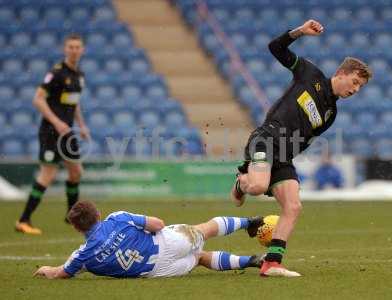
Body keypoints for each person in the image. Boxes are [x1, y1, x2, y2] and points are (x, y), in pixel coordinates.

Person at [231, 20, 372, 277]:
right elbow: (275, 47)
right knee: (259, 187)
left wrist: (285, 168)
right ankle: (242, 182)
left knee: (293, 207)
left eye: (360, 87)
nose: (355, 89)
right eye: (354, 82)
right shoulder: (309, 73)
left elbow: (306, 139)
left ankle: (271, 263)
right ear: (341, 73)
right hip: (266, 138)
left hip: (284, 155)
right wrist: (299, 32)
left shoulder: (331, 113)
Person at [34, 200, 269, 279]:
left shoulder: (82, 257)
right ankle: (249, 223)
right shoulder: (116, 219)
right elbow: (157, 224)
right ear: (97, 214)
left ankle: (251, 261)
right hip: (165, 242)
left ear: (76, 228)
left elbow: (61, 273)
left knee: (199, 259)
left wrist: (47, 269)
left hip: (158, 270)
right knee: (205, 229)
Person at [15, 34, 90, 235]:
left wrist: (82, 126)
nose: (74, 50)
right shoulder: (56, 73)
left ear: (82, 50)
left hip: (68, 131)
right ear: (65, 49)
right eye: (71, 47)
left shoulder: (79, 75)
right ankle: (23, 220)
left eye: (77, 47)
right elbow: (37, 100)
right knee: (48, 174)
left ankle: (71, 216)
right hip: (50, 130)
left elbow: (73, 102)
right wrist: (56, 122)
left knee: (76, 172)